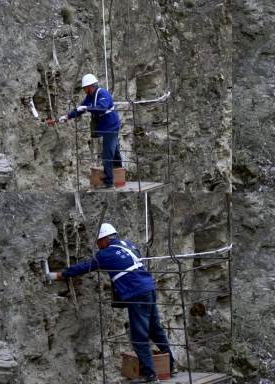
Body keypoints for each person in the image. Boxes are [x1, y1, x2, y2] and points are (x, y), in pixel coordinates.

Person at [48, 223, 176, 384]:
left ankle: (150, 375)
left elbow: (85, 266)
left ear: (104, 239)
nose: (97, 246)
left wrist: (61, 274)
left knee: (139, 336)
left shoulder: (106, 254)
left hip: (136, 293)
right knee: (155, 329)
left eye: (98, 242)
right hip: (148, 288)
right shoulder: (128, 244)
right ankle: (171, 366)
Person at [58, 74, 122, 189]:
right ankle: (119, 172)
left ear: (90, 86)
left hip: (111, 126)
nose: (84, 90)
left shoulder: (103, 93)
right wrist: (67, 116)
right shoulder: (90, 96)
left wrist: (88, 108)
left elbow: (102, 107)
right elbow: (80, 108)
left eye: (84, 88)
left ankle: (109, 182)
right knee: (114, 149)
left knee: (107, 153)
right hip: (106, 126)